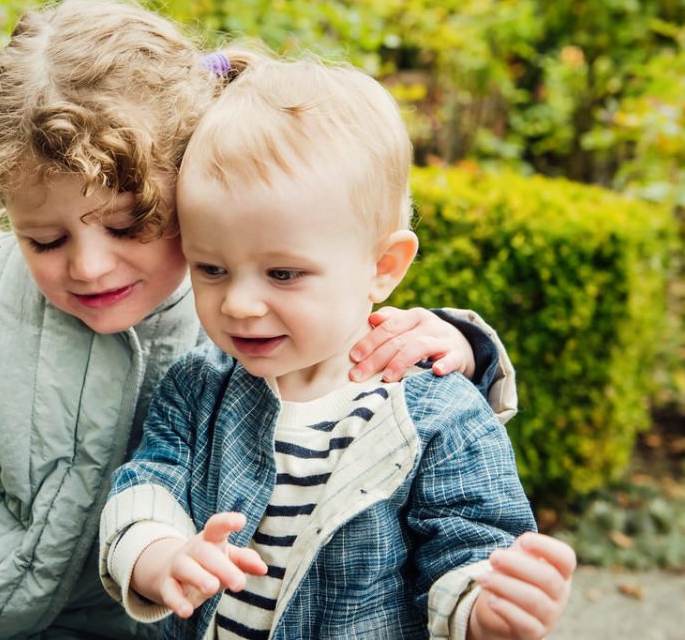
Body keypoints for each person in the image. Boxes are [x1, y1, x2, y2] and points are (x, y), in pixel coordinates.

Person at [0, 0, 519, 639]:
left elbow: (350, 328)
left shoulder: (230, 321)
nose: (88, 265)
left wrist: (458, 344)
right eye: (43, 237)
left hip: (117, 611)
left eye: (126, 224)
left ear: (188, 188)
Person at [99, 57, 576, 640]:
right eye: (212, 268)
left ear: (382, 267)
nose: (239, 304)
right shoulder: (199, 385)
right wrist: (159, 555)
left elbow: (469, 541)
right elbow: (150, 481)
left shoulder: (434, 413)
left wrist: (484, 608)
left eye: (282, 274)